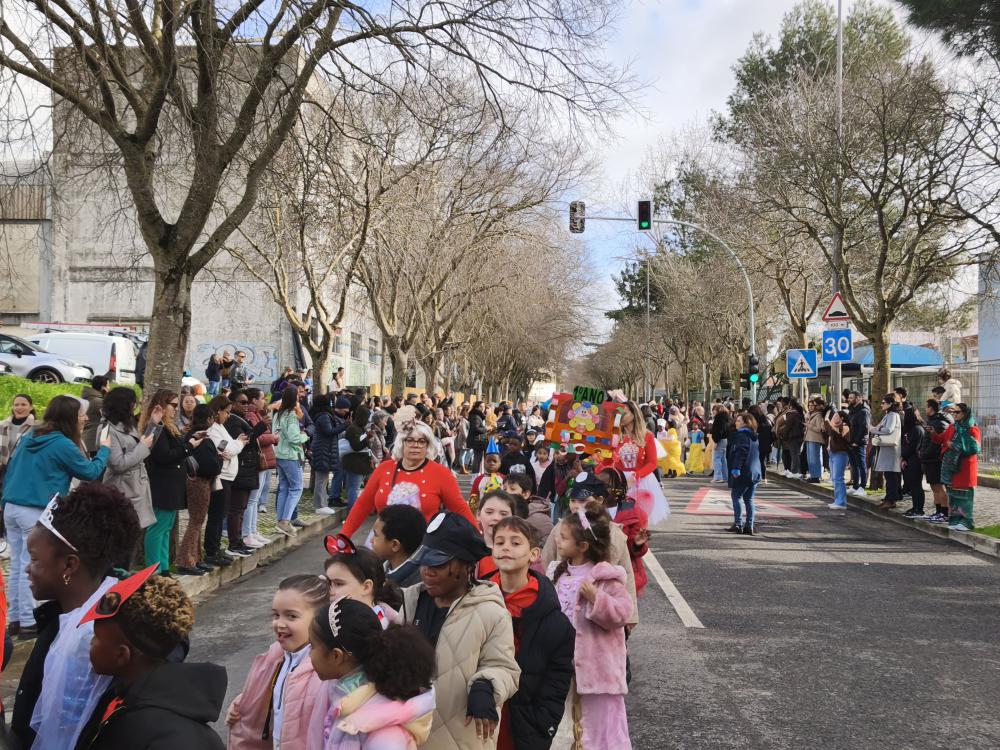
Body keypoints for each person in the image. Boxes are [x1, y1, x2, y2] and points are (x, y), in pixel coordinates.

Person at [11, 483, 139, 750]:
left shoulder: (91, 639)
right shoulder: (66, 617)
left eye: (35, 559)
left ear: (69, 565)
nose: (27, 569)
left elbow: (66, 729)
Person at [400, 512, 520, 749]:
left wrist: (486, 686)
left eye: (438, 564)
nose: (427, 571)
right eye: (424, 562)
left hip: (460, 739)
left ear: (467, 565)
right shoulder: (409, 602)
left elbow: (504, 668)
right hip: (407, 735)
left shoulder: (491, 612)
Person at [74, 568, 227, 750]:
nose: (91, 642)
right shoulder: (121, 697)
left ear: (122, 655)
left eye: (96, 637)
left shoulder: (172, 740)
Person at [2, 395, 111, 638]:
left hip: (11, 506)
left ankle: (17, 619)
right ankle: (29, 622)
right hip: (35, 509)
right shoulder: (62, 444)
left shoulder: (30, 435)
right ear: (70, 418)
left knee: (18, 564)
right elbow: (89, 471)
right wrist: (104, 450)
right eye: (81, 415)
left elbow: (11, 469)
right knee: (31, 564)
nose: (84, 418)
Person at [547, 501, 632, 750]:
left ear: (583, 546)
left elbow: (622, 613)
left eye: (564, 537)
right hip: (561, 665)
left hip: (598, 674)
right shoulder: (555, 572)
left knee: (601, 733)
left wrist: (597, 598)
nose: (558, 540)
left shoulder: (606, 577)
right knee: (564, 728)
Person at [488, 516, 574, 750]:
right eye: (499, 542)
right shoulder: (476, 599)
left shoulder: (552, 619)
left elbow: (557, 679)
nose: (506, 547)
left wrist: (543, 722)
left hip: (524, 723)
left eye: (516, 543)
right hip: (478, 716)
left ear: (534, 554)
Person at [307, 598, 436, 750]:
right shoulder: (342, 693)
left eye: (312, 646)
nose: (309, 654)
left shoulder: (385, 736)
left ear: (336, 656)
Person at [226, 574, 327, 749]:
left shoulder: (323, 673)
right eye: (276, 615)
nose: (279, 624)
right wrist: (241, 703)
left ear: (320, 618)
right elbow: (269, 694)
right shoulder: (275, 656)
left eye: (291, 616)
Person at [340, 413, 475, 539]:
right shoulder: (384, 469)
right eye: (409, 440)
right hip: (384, 544)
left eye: (421, 441)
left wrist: (480, 543)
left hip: (423, 546)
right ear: (402, 443)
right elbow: (362, 505)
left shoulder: (441, 473)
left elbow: (460, 509)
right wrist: (343, 537)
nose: (415, 445)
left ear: (428, 445)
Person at [541, 473, 639, 630]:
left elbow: (627, 572)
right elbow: (546, 560)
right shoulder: (560, 528)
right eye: (573, 500)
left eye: (583, 500)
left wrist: (631, 616)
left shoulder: (614, 532)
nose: (576, 506)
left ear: (599, 500)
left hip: (604, 616)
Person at [141, 389, 201, 575]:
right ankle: (154, 570)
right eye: (173, 405)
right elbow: (164, 456)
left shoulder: (169, 426)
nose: (176, 409)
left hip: (172, 484)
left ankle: (164, 567)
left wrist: (190, 441)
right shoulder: (157, 427)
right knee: (157, 528)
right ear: (162, 405)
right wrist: (189, 446)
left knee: (166, 528)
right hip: (163, 484)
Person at [101, 387, 157, 556]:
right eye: (134, 403)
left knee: (131, 539)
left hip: (135, 486)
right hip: (123, 489)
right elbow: (117, 463)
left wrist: (153, 424)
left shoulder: (127, 425)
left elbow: (142, 444)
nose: (136, 406)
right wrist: (142, 446)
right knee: (121, 543)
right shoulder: (108, 429)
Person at [177, 404, 224, 576]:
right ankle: (186, 560)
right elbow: (210, 466)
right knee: (196, 522)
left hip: (195, 481)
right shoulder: (203, 439)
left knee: (197, 521)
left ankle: (196, 557)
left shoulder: (193, 435)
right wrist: (219, 459)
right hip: (199, 482)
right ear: (209, 419)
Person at [205, 395, 249, 562]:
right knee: (216, 514)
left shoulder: (220, 427)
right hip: (221, 476)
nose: (228, 416)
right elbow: (227, 450)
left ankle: (216, 548)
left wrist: (236, 443)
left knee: (221, 513)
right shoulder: (213, 429)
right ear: (218, 411)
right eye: (227, 412)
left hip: (228, 475)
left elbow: (228, 446)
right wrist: (239, 444)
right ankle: (211, 550)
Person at [595, 467, 649, 596]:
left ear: (619, 488)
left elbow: (635, 550)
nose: (602, 489)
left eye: (608, 486)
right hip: (598, 572)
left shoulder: (631, 510)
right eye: (599, 485)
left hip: (624, 572)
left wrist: (637, 543)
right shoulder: (592, 509)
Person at [614, 400, 669, 525]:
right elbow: (608, 460)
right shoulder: (615, 436)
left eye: (624, 413)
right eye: (618, 413)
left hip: (641, 482)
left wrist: (637, 475)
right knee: (619, 521)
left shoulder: (647, 436)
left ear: (634, 414)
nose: (620, 416)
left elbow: (652, 463)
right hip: (619, 482)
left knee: (639, 522)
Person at [226, 391, 266, 554]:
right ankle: (235, 541)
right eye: (242, 402)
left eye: (247, 402)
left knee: (242, 507)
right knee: (237, 508)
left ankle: (240, 539)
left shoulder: (242, 418)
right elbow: (243, 441)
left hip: (247, 468)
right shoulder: (232, 421)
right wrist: (261, 427)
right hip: (240, 469)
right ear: (231, 404)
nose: (246, 405)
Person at [933, 403, 980, 532]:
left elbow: (974, 448)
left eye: (957, 412)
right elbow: (942, 439)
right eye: (953, 412)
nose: (954, 414)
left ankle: (967, 522)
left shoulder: (972, 429)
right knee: (953, 495)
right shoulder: (953, 427)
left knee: (964, 496)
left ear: (965, 413)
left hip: (965, 468)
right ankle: (955, 520)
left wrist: (954, 445)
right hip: (952, 468)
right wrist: (933, 433)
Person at [324, 543, 401, 619]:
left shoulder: (385, 623)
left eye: (338, 584)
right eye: (329, 583)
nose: (330, 592)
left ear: (366, 587)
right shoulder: (331, 618)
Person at [0, 393, 35, 558]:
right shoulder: (3, 425)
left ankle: (14, 542)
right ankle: (4, 541)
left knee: (13, 506)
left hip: (23, 472)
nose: (19, 408)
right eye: (16, 404)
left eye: (23, 404)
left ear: (31, 407)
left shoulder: (37, 427)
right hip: (3, 470)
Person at [273, 387, 309, 536]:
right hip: (291, 455)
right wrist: (305, 436)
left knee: (284, 488)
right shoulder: (291, 416)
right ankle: (285, 521)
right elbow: (294, 438)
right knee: (296, 488)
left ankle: (281, 520)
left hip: (280, 454)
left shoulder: (278, 414)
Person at [243, 388, 276, 542]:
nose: (264, 401)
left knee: (255, 499)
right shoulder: (251, 415)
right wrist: (273, 438)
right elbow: (258, 438)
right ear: (254, 400)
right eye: (262, 398)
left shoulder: (258, 414)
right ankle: (247, 533)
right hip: (258, 459)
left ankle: (253, 530)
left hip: (264, 459)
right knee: (252, 499)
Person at [370, 504, 427, 588]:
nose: (371, 540)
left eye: (375, 535)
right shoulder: (381, 567)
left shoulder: (414, 586)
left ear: (395, 545)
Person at [726, 412, 762, 536]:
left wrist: (736, 468)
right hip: (754, 472)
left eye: (739, 421)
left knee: (736, 497)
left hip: (743, 472)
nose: (736, 423)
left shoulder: (741, 436)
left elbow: (741, 452)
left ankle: (738, 524)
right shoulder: (754, 436)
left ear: (746, 423)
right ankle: (749, 525)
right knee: (749, 499)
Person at [920, 399, 953, 523]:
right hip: (929, 459)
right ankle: (938, 511)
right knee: (934, 486)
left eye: (926, 407)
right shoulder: (932, 421)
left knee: (939, 487)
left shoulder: (939, 423)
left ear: (931, 408)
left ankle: (944, 513)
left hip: (935, 459)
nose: (925, 409)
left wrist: (925, 454)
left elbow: (935, 443)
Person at [503, 473, 554, 549]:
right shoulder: (502, 512)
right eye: (504, 489)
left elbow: (549, 547)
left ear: (526, 494)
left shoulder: (539, 518)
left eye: (512, 489)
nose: (507, 492)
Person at [869, 395, 903, 510]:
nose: (881, 405)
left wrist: (875, 429)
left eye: (884, 403)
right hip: (887, 448)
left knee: (891, 475)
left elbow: (889, 429)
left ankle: (891, 499)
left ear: (890, 404)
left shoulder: (893, 415)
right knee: (889, 475)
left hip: (891, 449)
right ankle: (890, 498)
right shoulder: (889, 415)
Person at [475, 490, 517, 579]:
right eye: (489, 512)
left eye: (503, 514)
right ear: (478, 514)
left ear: (513, 518)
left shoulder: (521, 552)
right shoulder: (468, 549)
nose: (496, 518)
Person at [340, 404, 373, 510]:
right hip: (355, 463)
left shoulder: (360, 428)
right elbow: (356, 447)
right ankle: (352, 511)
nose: (368, 420)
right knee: (354, 488)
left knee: (354, 487)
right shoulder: (353, 429)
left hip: (361, 463)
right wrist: (367, 438)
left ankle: (354, 509)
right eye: (367, 418)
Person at [900, 406, 926, 518]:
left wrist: (904, 456)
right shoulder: (910, 429)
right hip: (909, 460)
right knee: (913, 485)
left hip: (916, 460)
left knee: (916, 486)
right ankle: (915, 507)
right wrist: (904, 458)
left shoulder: (917, 429)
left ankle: (919, 509)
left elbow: (912, 447)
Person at [823, 409, 852, 510]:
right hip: (833, 453)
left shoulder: (844, 427)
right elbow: (829, 433)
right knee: (835, 478)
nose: (833, 418)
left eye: (836, 416)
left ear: (842, 418)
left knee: (838, 478)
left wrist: (827, 421)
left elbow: (835, 433)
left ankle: (841, 502)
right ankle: (837, 500)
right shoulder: (835, 426)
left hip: (840, 454)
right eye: (833, 416)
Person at [470, 438, 506, 515]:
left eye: (494, 461)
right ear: (484, 462)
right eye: (488, 461)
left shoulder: (504, 479)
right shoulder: (478, 479)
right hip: (483, 511)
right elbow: (474, 497)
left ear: (500, 463)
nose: (491, 463)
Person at [847, 392, 872, 496]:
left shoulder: (863, 411)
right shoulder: (852, 410)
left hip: (859, 443)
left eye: (851, 398)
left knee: (861, 465)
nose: (849, 399)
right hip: (851, 442)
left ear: (858, 398)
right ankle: (855, 486)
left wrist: (857, 442)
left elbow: (864, 428)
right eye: (849, 397)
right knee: (854, 465)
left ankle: (862, 487)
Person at [81, 375, 110, 456]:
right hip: (93, 440)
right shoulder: (98, 401)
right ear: (103, 387)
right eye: (108, 385)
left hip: (88, 439)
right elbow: (111, 415)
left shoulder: (88, 398)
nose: (109, 388)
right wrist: (108, 395)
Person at [779, 400, 805, 480]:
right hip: (800, 436)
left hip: (792, 437)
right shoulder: (800, 414)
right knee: (796, 454)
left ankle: (795, 472)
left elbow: (788, 426)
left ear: (790, 406)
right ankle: (797, 471)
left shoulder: (790, 414)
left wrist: (784, 436)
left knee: (794, 455)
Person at [804, 398, 826, 483]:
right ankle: (813, 475)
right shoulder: (811, 414)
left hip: (815, 439)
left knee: (814, 458)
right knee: (809, 459)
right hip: (809, 438)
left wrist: (808, 425)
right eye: (809, 405)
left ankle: (816, 476)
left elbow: (818, 428)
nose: (810, 407)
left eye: (812, 405)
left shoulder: (818, 415)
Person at [709, 405, 732, 483]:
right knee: (723, 459)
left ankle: (718, 477)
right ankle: (725, 476)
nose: (713, 411)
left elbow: (718, 430)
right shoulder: (727, 417)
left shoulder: (719, 418)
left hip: (719, 440)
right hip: (725, 439)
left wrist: (715, 441)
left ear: (718, 410)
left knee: (716, 458)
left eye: (714, 410)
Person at [468, 401, 489, 473]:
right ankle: (475, 475)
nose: (483, 408)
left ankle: (477, 474)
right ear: (476, 407)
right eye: (481, 406)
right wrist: (486, 429)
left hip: (479, 440)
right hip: (477, 440)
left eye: (484, 406)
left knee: (478, 459)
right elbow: (476, 428)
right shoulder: (475, 416)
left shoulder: (479, 415)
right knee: (477, 459)